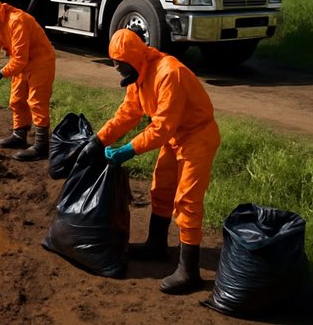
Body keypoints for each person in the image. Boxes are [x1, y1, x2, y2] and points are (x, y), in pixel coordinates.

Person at [77, 28, 221, 294]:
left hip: (197, 136)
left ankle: (189, 272)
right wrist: (98, 141)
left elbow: (163, 127)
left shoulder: (169, 74)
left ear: (133, 59)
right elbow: (129, 113)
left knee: (187, 200)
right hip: (176, 136)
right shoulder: (139, 75)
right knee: (161, 189)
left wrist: (128, 150)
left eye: (120, 65)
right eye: (115, 64)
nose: (117, 69)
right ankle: (156, 246)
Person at [0, 0, 57, 161]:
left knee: (36, 102)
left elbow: (20, 59)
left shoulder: (17, 21)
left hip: (40, 61)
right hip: (22, 63)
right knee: (16, 100)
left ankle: (41, 145)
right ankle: (19, 135)